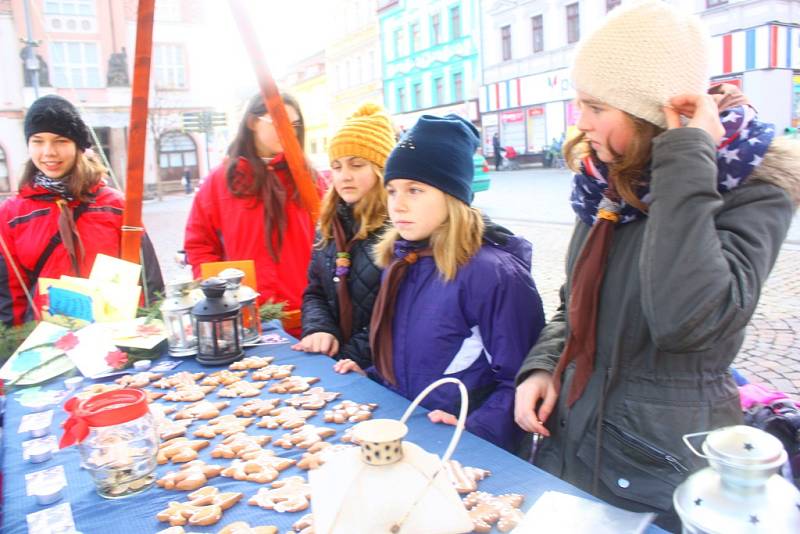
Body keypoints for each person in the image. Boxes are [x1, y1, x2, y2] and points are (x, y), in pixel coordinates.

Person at [513, 2, 799, 529]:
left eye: (595, 106)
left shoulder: (752, 190)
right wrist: (545, 364)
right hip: (575, 442)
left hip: (656, 469)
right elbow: (575, 302)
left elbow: (689, 320)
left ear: (649, 112)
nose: (581, 123)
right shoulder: (608, 182)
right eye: (579, 103)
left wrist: (686, 160)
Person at [340, 114, 545, 452]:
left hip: (466, 446)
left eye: (415, 190)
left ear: (452, 196)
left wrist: (473, 430)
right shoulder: (402, 262)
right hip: (411, 434)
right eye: (392, 190)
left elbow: (518, 380)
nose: (398, 204)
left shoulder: (494, 275)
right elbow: (412, 358)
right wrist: (372, 378)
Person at [0, 95, 164, 326]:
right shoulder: (11, 214)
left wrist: (148, 329)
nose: (48, 152)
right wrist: (12, 348)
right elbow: (9, 293)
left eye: (60, 141)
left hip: (116, 340)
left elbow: (148, 279)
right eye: (38, 141)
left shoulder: (115, 205)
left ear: (78, 146)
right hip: (48, 342)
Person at [183, 93, 319, 335]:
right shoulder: (220, 182)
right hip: (245, 317)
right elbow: (200, 245)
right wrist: (219, 296)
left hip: (308, 317)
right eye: (278, 121)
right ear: (253, 122)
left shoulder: (309, 179)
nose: (289, 131)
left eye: (295, 124)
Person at [292, 103, 396, 369]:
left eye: (357, 164)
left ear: (380, 168)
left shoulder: (398, 227)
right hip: (341, 362)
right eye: (336, 167)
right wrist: (320, 329)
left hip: (379, 369)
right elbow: (315, 291)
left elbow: (394, 317)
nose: (344, 176)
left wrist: (346, 356)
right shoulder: (330, 223)